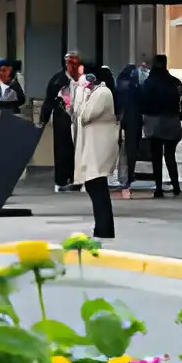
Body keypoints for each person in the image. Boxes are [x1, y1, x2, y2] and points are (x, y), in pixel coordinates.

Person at [68, 62, 120, 239]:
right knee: (93, 185)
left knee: (96, 185)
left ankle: (105, 228)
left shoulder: (103, 93)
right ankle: (101, 227)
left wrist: (82, 93)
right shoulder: (93, 92)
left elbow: (86, 115)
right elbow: (76, 113)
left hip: (100, 146)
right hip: (91, 145)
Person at [140, 53, 182, 197]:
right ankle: (175, 185)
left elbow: (141, 100)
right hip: (171, 121)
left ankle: (159, 188)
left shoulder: (148, 83)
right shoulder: (174, 82)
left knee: (156, 157)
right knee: (170, 155)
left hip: (154, 121)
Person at [43, 53, 82, 190]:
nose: (73, 66)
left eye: (75, 63)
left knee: (79, 149)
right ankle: (61, 180)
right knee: (62, 149)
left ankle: (77, 178)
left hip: (80, 118)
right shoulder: (57, 80)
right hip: (62, 118)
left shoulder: (82, 79)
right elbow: (48, 101)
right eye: (70, 63)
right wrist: (44, 119)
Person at [113, 60, 148, 197]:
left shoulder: (119, 86)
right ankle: (130, 174)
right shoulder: (136, 87)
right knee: (132, 148)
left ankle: (122, 175)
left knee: (121, 149)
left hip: (121, 120)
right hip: (134, 120)